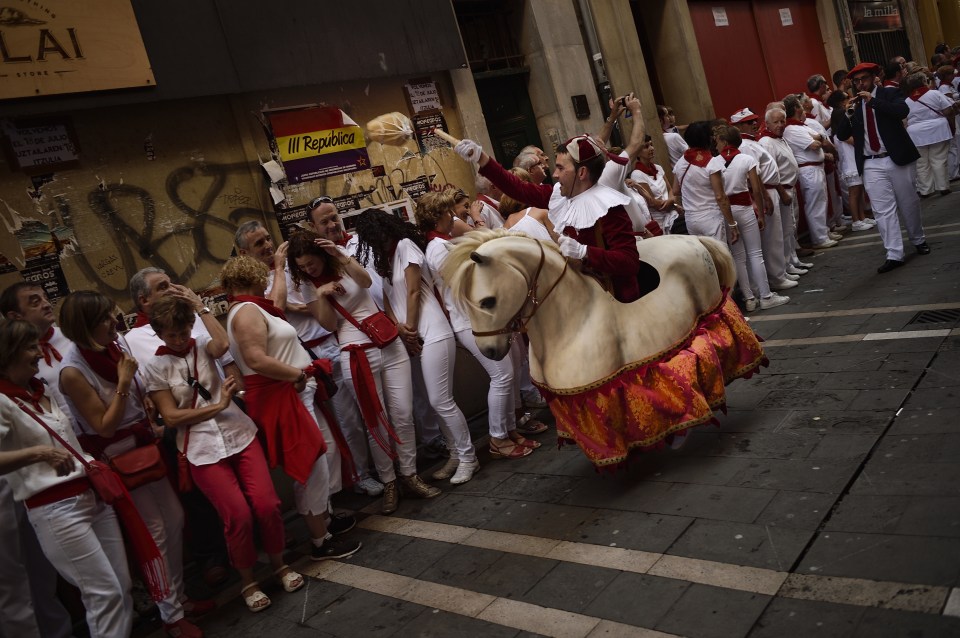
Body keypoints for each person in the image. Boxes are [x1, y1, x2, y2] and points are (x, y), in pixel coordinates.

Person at [57, 290, 207, 637]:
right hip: (120, 457)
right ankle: (171, 615)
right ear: (85, 326)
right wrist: (124, 382)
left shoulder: (115, 347)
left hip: (145, 445)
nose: (115, 321)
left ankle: (179, 599)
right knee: (153, 534)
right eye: (106, 318)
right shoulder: (73, 372)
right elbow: (103, 425)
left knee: (174, 519)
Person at [143, 295, 302, 613]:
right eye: (171, 334)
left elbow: (222, 342)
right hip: (201, 449)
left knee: (267, 504)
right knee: (237, 516)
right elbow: (171, 417)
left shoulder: (202, 342)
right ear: (160, 334)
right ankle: (247, 581)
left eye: (183, 330)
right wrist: (217, 405)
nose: (178, 339)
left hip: (239, 434)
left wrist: (199, 308)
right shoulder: (156, 367)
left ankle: (279, 564)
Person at [285, 230, 439, 514]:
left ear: (320, 254)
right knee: (374, 420)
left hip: (388, 343)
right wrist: (320, 293)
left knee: (403, 414)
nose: (309, 269)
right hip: (355, 351)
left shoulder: (341, 260)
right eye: (303, 266)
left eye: (312, 263)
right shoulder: (308, 285)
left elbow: (366, 282)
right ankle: (389, 481)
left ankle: (409, 474)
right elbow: (330, 325)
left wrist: (340, 256)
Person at [221, 256, 362, 559]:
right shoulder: (246, 312)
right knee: (311, 464)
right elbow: (256, 359)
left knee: (323, 455)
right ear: (254, 277)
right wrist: (297, 374)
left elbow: (278, 302)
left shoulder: (253, 307)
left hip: (296, 394)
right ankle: (320, 539)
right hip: (286, 396)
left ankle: (323, 519)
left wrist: (278, 266)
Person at [0, 319, 134, 638]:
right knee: (103, 595)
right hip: (56, 510)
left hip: (92, 495)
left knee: (122, 587)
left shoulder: (40, 388)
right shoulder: (3, 400)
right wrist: (38, 454)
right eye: (31, 348)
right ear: (10, 354)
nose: (39, 353)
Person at [352, 210, 480, 484]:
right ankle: (456, 455)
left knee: (440, 400)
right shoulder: (382, 259)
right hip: (413, 337)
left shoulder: (405, 246)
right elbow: (387, 298)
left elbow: (412, 291)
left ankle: (469, 457)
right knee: (437, 402)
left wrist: (408, 329)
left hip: (432, 331)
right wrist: (399, 329)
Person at [124, 268, 232, 588]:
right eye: (162, 287)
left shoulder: (191, 316)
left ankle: (244, 537)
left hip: (220, 408)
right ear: (144, 301)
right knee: (196, 496)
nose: (172, 289)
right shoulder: (132, 340)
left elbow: (218, 349)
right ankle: (212, 555)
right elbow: (141, 388)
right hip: (182, 423)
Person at [416, 191, 544, 460]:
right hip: (467, 321)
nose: (453, 217)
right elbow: (462, 282)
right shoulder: (437, 248)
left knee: (507, 374)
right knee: (501, 376)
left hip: (478, 319)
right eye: (447, 212)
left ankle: (509, 430)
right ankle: (498, 437)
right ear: (437, 216)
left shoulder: (446, 242)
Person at [0, 286, 81, 638]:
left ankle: (58, 632)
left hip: (35, 477)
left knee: (41, 569)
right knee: (12, 584)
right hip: (12, 473)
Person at [834, 62, 930, 273]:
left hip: (895, 157)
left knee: (908, 202)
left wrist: (874, 102)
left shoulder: (888, 93)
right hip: (871, 162)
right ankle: (894, 253)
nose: (860, 84)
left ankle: (918, 239)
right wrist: (849, 114)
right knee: (882, 210)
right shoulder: (854, 105)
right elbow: (840, 135)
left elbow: (902, 110)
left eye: (864, 79)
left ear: (874, 78)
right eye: (856, 81)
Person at [714, 124, 789, 311]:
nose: (715, 145)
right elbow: (755, 188)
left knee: (739, 256)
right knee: (755, 253)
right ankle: (765, 295)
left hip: (727, 210)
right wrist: (761, 213)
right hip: (745, 207)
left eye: (717, 141)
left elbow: (717, 192)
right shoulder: (746, 159)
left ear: (724, 141)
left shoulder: (714, 162)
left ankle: (749, 298)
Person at [728, 109, 794, 290]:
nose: (754, 124)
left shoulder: (751, 142)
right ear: (739, 126)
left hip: (769, 189)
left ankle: (779, 271)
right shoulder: (747, 145)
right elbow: (754, 175)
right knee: (772, 237)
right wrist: (764, 196)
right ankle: (776, 276)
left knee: (777, 234)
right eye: (749, 122)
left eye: (754, 120)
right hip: (766, 190)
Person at [782, 95, 837, 249]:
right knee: (815, 203)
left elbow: (823, 141)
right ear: (796, 108)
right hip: (809, 169)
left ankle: (824, 231)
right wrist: (818, 138)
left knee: (822, 201)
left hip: (817, 167)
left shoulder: (802, 126)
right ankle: (819, 238)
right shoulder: (791, 129)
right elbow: (816, 144)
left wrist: (818, 139)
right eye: (800, 104)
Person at [672, 120, 739, 246]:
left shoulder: (680, 162)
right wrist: (732, 223)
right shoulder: (711, 162)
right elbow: (720, 196)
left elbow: (675, 190)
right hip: (711, 218)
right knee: (721, 257)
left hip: (691, 219)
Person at [825, 90, 875, 231]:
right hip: (850, 162)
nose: (849, 99)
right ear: (841, 102)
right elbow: (852, 140)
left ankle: (862, 217)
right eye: (846, 98)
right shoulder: (841, 128)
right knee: (854, 192)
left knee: (858, 191)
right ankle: (856, 221)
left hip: (852, 160)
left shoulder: (839, 120)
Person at [903, 72, 956, 197]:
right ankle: (942, 186)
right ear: (923, 82)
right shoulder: (934, 93)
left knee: (921, 163)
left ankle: (926, 189)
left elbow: (904, 120)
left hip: (916, 134)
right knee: (939, 159)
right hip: (938, 130)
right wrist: (952, 125)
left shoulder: (907, 100)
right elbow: (948, 110)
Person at [628, 135, 681, 234]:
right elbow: (652, 202)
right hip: (659, 219)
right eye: (646, 146)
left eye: (651, 145)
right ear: (637, 152)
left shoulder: (658, 168)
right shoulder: (637, 174)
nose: (651, 148)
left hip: (672, 213)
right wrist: (672, 203)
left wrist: (672, 200)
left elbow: (670, 190)